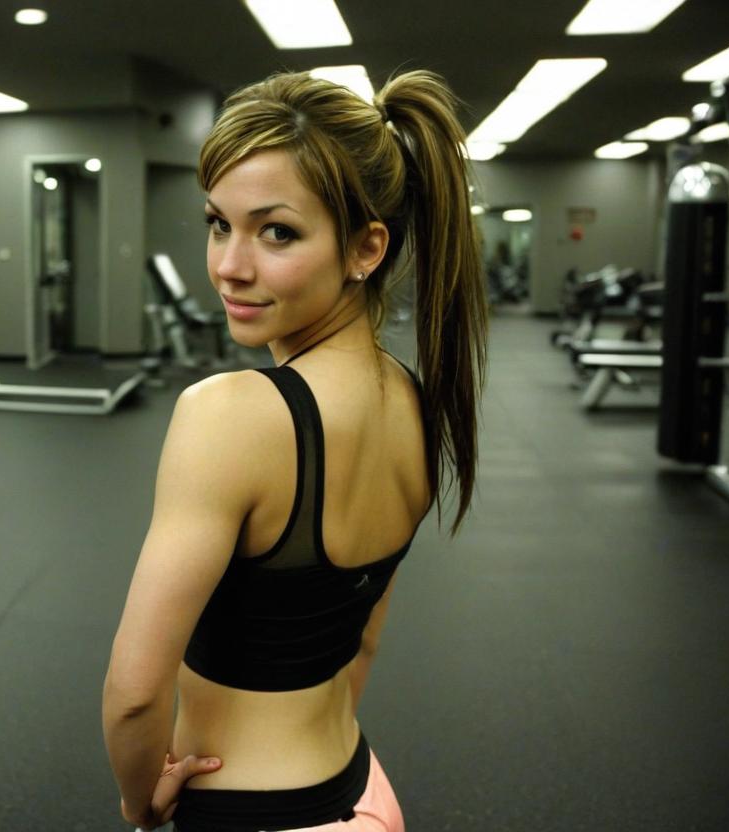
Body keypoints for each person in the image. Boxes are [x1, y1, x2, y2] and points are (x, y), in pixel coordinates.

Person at [103, 69, 488, 831]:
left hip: (253, 810)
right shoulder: (414, 396)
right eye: (220, 223)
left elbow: (137, 693)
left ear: (365, 248)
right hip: (361, 787)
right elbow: (365, 633)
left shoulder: (232, 414)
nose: (230, 266)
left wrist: (139, 800)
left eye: (277, 231)